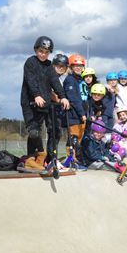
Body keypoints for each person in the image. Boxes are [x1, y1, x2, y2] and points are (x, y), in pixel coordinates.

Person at [20, 36, 70, 170]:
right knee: (34, 132)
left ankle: (42, 159)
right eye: (41, 51)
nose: (43, 54)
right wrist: (36, 95)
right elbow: (30, 80)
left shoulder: (49, 66)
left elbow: (55, 82)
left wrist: (63, 97)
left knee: (48, 130)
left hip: (44, 104)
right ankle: (33, 158)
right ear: (36, 50)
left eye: (46, 52)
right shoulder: (30, 62)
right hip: (30, 102)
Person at [63, 54, 87, 153]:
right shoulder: (70, 80)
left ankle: (75, 158)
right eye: (76, 66)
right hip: (73, 115)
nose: (78, 68)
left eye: (80, 66)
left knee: (79, 140)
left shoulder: (80, 80)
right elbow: (73, 99)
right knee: (73, 139)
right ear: (71, 67)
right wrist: (82, 113)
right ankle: (70, 158)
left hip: (81, 116)